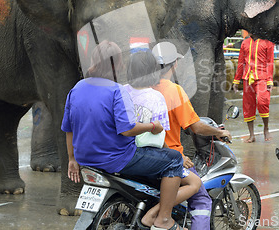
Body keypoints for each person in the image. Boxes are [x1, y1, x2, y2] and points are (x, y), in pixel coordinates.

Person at [62, 40, 186, 230]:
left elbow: (68, 128)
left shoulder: (77, 88)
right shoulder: (116, 91)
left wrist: (72, 158)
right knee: (174, 159)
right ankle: (164, 219)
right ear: (118, 64)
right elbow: (127, 129)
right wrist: (152, 126)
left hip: (84, 158)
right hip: (117, 158)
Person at [152, 41, 232, 230]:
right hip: (170, 156)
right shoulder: (174, 90)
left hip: (143, 155)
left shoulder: (142, 87)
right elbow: (196, 127)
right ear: (175, 64)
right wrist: (219, 132)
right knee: (202, 200)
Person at [125, 50, 202, 228]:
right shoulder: (157, 96)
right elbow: (160, 138)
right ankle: (159, 215)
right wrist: (178, 157)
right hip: (147, 154)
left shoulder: (121, 91)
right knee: (194, 182)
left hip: (122, 150)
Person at [232, 33, 274, 143]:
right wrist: (236, 80)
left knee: (262, 101)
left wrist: (270, 79)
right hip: (247, 78)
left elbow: (270, 62)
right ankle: (251, 135)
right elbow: (241, 62)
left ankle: (266, 128)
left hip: (262, 77)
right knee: (248, 106)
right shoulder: (245, 43)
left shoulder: (267, 42)